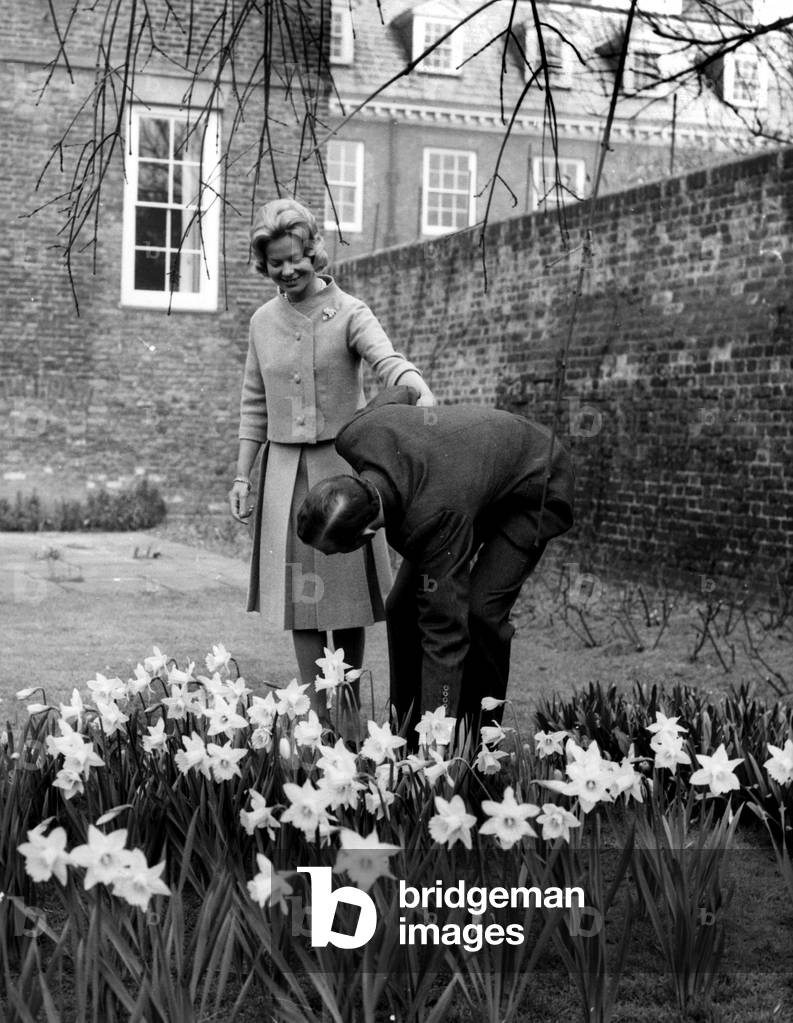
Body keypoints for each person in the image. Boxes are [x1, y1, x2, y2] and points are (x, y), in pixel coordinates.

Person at [229, 199, 434, 719]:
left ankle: (347, 721)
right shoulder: (261, 321)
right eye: (275, 263)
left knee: (345, 604)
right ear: (264, 264)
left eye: (294, 258)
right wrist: (242, 477)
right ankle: (320, 727)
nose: (287, 270)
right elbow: (254, 402)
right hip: (284, 480)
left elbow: (386, 360)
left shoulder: (349, 311)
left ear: (313, 251)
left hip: (343, 475)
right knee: (300, 607)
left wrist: (413, 388)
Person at [296, 386, 575, 739]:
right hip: (473, 480)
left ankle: (474, 742)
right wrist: (417, 398)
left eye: (336, 552)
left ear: (368, 534)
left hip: (536, 483)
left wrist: (436, 728)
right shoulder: (355, 434)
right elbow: (400, 392)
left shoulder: (434, 521)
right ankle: (404, 729)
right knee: (400, 606)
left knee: (479, 614)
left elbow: (445, 631)